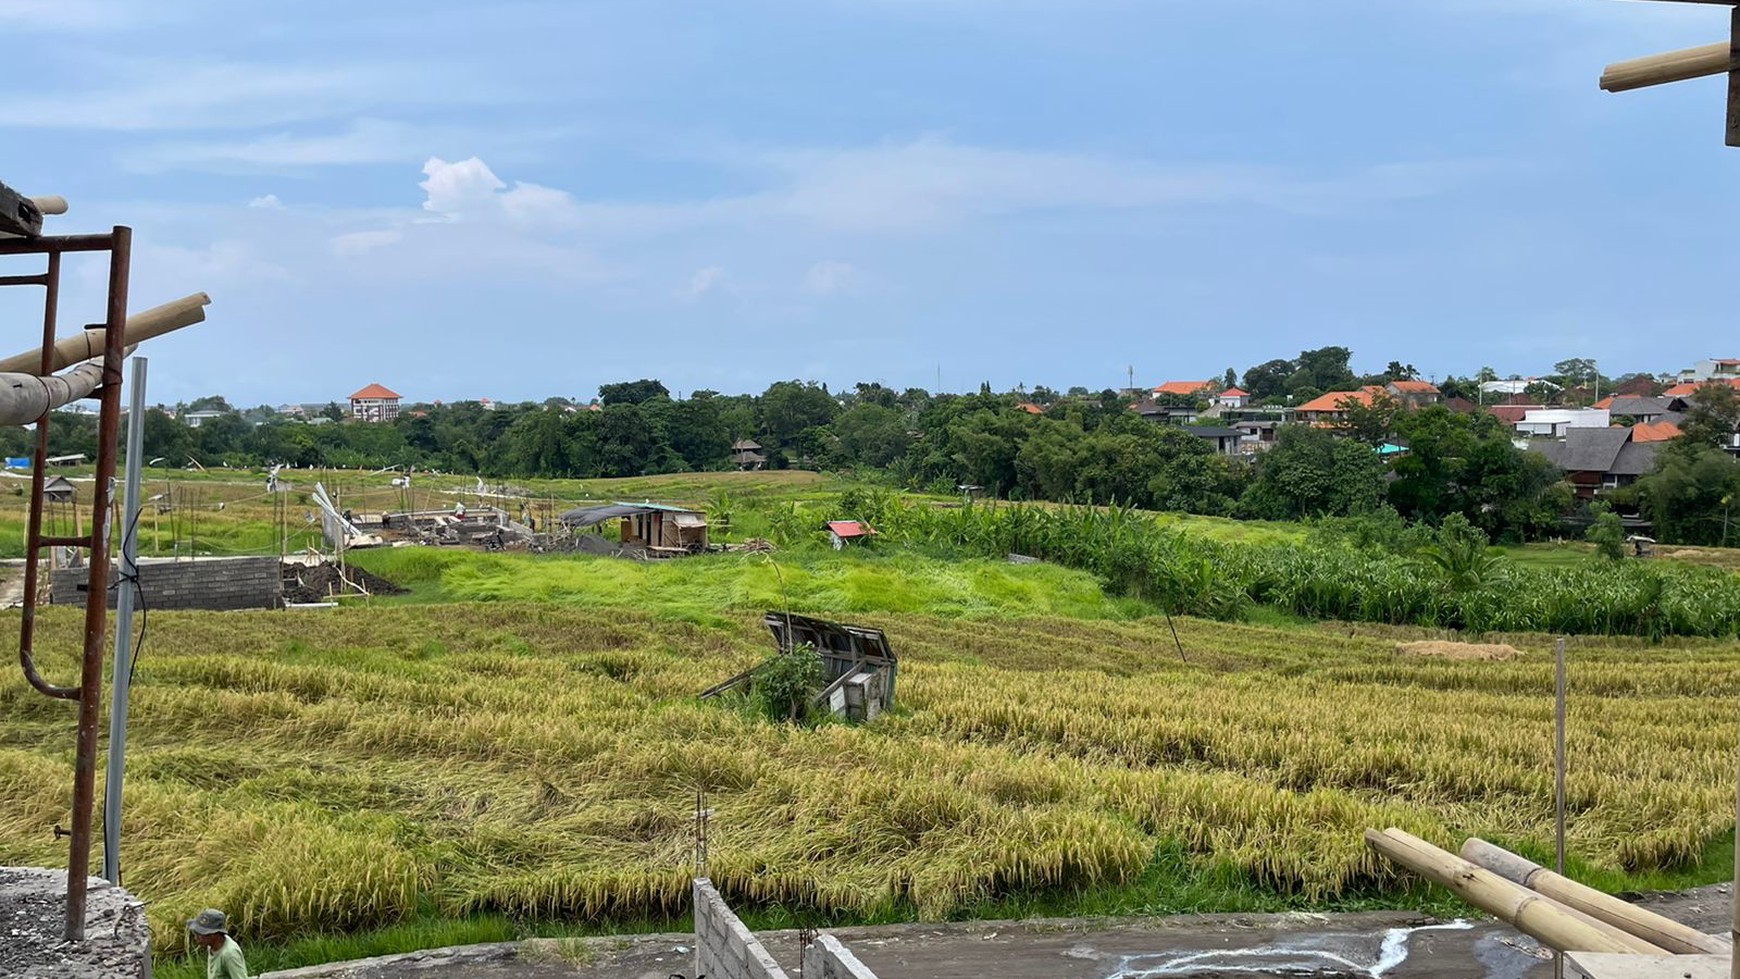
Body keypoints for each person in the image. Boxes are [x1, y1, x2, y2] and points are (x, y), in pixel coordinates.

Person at [188, 908, 249, 978]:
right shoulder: (211, 946)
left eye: (200, 934)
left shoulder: (229, 955)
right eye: (195, 933)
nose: (196, 938)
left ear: (214, 934)